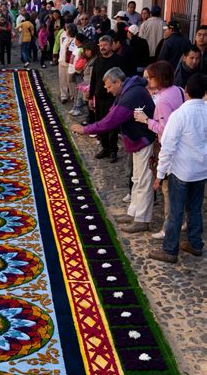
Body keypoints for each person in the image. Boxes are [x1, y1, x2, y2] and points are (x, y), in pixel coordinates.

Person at [72, 67, 156, 233]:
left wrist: (86, 129)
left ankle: (142, 219)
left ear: (118, 82)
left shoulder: (131, 95)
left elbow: (111, 121)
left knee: (144, 180)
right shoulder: (127, 91)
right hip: (137, 140)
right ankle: (134, 213)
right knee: (137, 179)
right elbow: (112, 113)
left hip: (143, 139)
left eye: (109, 86)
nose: (107, 90)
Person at [149, 74, 207, 263]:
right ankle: (195, 244)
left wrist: (160, 174)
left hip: (181, 170)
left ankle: (170, 249)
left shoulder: (179, 115)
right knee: (195, 208)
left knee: (176, 211)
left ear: (186, 92)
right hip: (201, 170)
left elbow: (168, 147)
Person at [133, 60, 185, 239]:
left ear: (161, 78)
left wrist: (146, 121)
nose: (148, 80)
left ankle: (168, 228)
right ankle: (181, 221)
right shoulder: (178, 90)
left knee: (167, 188)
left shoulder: (162, 100)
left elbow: (165, 128)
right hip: (183, 144)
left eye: (152, 77)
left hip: (169, 146)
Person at [87, 35, 124, 161]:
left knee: (112, 124)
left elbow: (123, 79)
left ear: (111, 45)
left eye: (105, 45)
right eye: (100, 45)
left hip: (113, 98)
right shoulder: (97, 61)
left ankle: (113, 150)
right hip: (99, 97)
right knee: (100, 123)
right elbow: (93, 79)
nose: (102, 48)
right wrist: (90, 97)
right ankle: (105, 148)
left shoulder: (118, 60)